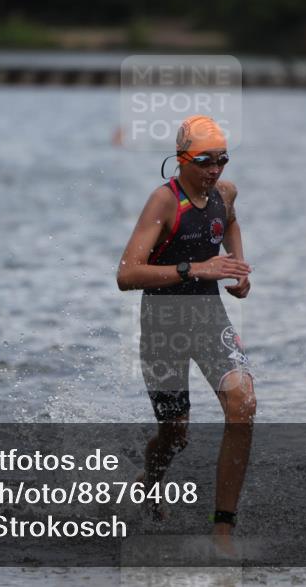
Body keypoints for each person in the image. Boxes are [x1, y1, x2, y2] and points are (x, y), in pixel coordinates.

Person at [116, 114, 256, 546]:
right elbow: (127, 274)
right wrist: (196, 268)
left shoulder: (225, 193)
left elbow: (230, 220)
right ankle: (150, 481)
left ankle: (222, 529)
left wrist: (237, 267)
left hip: (209, 317)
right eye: (205, 161)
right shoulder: (163, 202)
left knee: (243, 402)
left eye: (222, 159)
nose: (215, 170)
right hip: (163, 326)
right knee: (175, 435)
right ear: (181, 159)